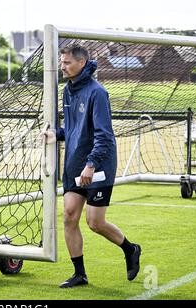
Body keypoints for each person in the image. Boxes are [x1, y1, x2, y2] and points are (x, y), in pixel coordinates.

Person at [42, 43, 141, 288]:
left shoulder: (98, 92)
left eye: (66, 63)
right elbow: (76, 129)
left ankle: (131, 249)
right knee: (69, 217)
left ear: (81, 63)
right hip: (74, 165)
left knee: (95, 222)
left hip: (97, 167)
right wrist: (58, 134)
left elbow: (104, 135)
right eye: (61, 62)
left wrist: (91, 165)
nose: (62, 67)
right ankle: (80, 275)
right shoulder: (67, 90)